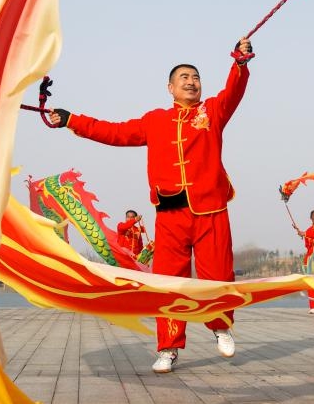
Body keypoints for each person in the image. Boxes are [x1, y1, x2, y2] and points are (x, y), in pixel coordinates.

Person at [50, 38, 253, 373]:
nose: (191, 81)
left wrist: (241, 64)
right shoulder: (154, 120)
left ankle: (219, 326)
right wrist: (72, 119)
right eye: (184, 77)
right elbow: (113, 132)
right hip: (171, 213)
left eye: (196, 77)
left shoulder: (213, 112)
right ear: (170, 87)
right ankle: (168, 348)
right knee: (168, 282)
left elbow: (234, 91)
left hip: (210, 209)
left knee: (217, 274)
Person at [295, 209, 314, 313]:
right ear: (311, 218)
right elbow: (308, 246)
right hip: (311, 259)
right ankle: (313, 306)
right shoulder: (308, 230)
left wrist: (304, 234)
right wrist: (304, 234)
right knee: (311, 283)